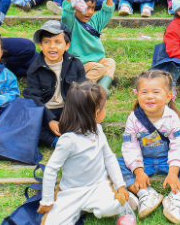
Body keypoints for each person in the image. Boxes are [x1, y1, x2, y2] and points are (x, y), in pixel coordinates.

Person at [37, 81, 137, 225]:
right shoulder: (68, 140)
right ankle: (80, 208)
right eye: (104, 108)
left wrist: (120, 185)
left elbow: (109, 158)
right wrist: (47, 200)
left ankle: (123, 206)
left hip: (98, 186)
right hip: (71, 192)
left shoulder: (98, 131)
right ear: (97, 113)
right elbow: (51, 169)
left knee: (111, 207)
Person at [117, 70, 180, 224]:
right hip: (145, 162)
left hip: (168, 160)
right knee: (116, 163)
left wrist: (173, 172)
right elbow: (130, 146)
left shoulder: (172, 118)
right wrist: (138, 171)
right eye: (144, 92)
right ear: (137, 95)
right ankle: (145, 193)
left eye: (156, 92)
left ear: (168, 96)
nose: (150, 96)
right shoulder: (133, 119)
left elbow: (177, 146)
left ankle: (176, 197)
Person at [23, 20, 87, 148]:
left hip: (68, 110)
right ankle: (55, 142)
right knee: (28, 120)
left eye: (57, 42)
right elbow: (34, 97)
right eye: (47, 42)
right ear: (41, 45)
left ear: (67, 45)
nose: (52, 46)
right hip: (45, 111)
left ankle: (73, 137)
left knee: (86, 117)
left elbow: (83, 91)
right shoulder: (34, 68)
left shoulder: (76, 64)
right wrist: (49, 120)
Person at [60, 0, 116, 92]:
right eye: (85, 8)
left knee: (110, 62)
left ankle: (102, 89)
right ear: (75, 7)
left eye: (92, 8)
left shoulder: (94, 22)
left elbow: (106, 13)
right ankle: (81, 90)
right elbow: (67, 15)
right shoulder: (71, 23)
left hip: (96, 60)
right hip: (78, 63)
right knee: (99, 68)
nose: (89, 12)